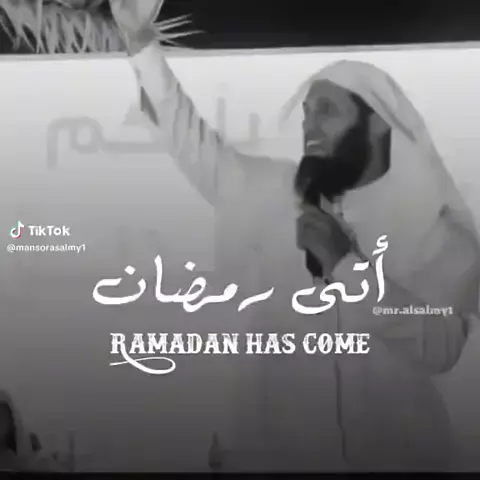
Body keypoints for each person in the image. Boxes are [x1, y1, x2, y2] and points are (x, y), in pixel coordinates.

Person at [2, 0, 480, 472]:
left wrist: (346, 266)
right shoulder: (270, 192)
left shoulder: (437, 232)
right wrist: (141, 42)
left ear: (377, 123)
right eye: (306, 112)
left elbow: (440, 349)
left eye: (327, 111)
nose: (309, 125)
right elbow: (187, 135)